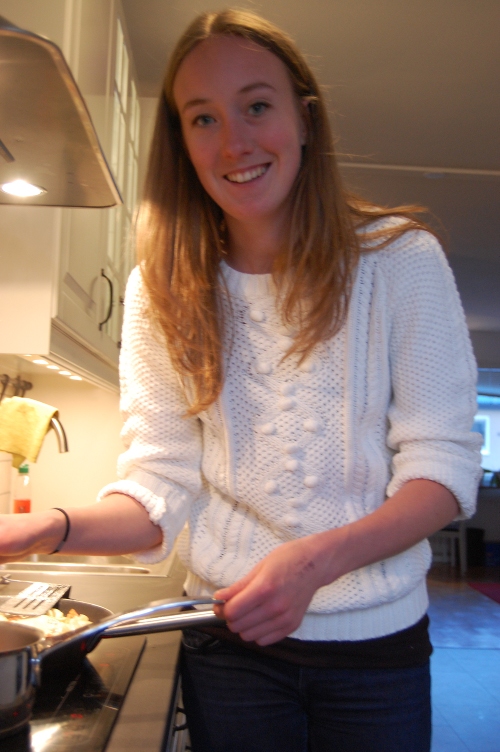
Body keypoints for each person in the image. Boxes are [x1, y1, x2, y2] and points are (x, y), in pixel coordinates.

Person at [0, 9, 482, 752]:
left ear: (305, 118)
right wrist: (46, 529)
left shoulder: (400, 261)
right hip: (228, 645)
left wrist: (313, 562)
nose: (233, 143)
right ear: (182, 141)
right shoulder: (162, 288)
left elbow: (443, 471)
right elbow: (159, 488)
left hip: (374, 653)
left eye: (257, 106)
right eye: (203, 118)